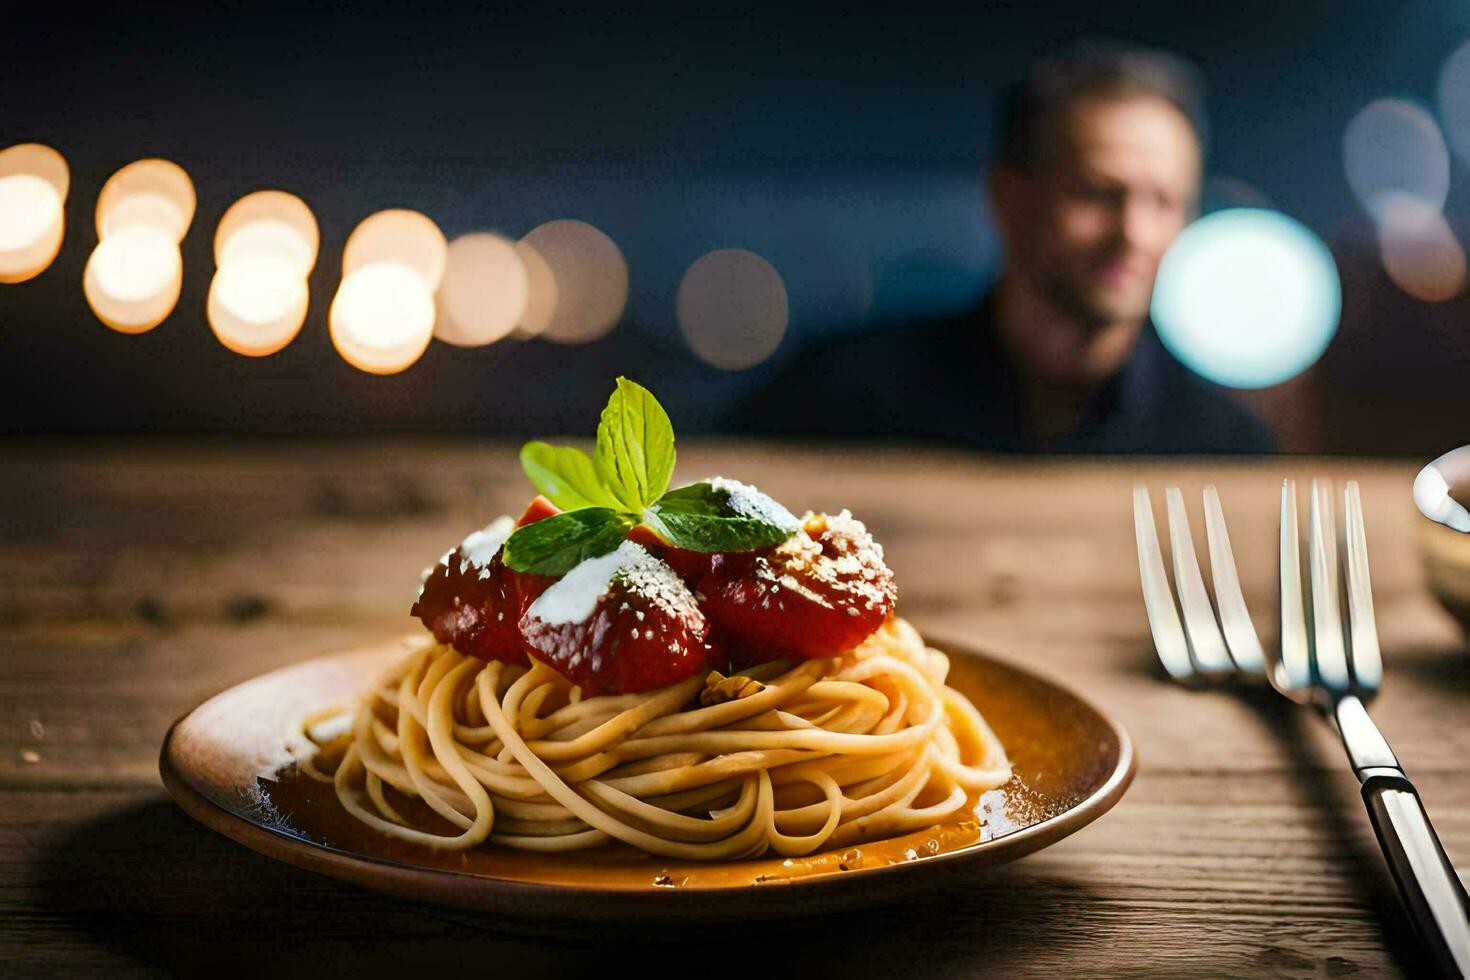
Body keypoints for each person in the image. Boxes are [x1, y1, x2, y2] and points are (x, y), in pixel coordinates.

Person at [734, 40, 1274, 454]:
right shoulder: (838, 399)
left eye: (1163, 201)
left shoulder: (1224, 444)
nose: (1133, 233)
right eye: (1097, 194)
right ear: (1008, 196)